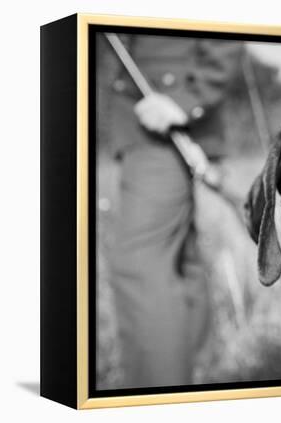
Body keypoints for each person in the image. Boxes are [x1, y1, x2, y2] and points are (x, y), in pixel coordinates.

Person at [101, 33, 243, 388]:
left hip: (162, 120)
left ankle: (156, 393)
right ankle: (202, 372)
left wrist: (186, 100)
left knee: (138, 265)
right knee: (180, 256)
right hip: (149, 121)